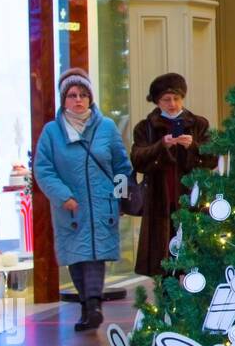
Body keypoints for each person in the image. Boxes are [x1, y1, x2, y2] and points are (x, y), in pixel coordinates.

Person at [32, 69, 133, 331]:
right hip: (71, 207)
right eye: (72, 95)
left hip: (102, 203)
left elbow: (122, 165)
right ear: (64, 99)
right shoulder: (52, 132)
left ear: (90, 99)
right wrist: (62, 195)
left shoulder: (107, 127)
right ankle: (87, 306)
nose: (78, 100)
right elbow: (43, 169)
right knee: (77, 257)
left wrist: (120, 196)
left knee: (95, 257)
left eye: (83, 95)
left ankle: (93, 306)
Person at [131, 73, 217, 281]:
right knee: (163, 258)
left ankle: (191, 296)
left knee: (192, 255)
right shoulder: (146, 127)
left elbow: (213, 157)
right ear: (157, 102)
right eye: (166, 100)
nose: (172, 104)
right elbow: (138, 159)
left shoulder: (198, 124)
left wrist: (193, 147)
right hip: (160, 200)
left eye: (176, 99)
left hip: (191, 200)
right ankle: (167, 302)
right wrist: (162, 145)